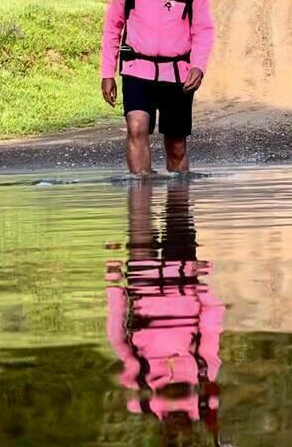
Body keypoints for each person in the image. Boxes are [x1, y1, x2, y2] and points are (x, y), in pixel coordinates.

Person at [105, 180, 225, 446]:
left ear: (164, 440)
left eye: (173, 440)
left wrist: (113, 282)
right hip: (183, 279)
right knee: (178, 210)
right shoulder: (204, 391)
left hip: (144, 281)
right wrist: (202, 284)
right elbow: (211, 326)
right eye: (186, 441)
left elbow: (117, 334)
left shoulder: (142, 394)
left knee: (140, 213)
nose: (178, 433)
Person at [100, 0, 216, 176]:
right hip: (136, 70)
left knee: (176, 145)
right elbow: (112, 28)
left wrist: (198, 65)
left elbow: (204, 30)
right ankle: (141, 205)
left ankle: (178, 212)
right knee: (137, 127)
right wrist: (107, 73)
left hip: (178, 74)